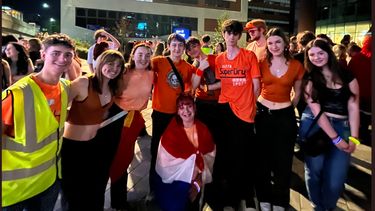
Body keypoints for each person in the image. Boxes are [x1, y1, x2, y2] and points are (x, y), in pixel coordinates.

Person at [2, 33, 75, 210]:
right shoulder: (18, 93)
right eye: (55, 53)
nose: (62, 59)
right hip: (14, 190)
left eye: (68, 55)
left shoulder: (65, 88)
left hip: (48, 183)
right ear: (43, 55)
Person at [61, 50, 125, 211]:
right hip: (73, 149)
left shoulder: (113, 88)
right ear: (100, 63)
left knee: (95, 193)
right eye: (110, 63)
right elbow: (58, 106)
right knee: (74, 196)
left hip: (96, 147)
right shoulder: (83, 82)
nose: (114, 68)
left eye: (118, 65)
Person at [300, 38, 359, 211]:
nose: (316, 57)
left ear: (328, 52)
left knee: (336, 179)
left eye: (320, 53)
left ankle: (327, 206)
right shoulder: (309, 77)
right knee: (314, 172)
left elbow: (353, 105)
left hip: (343, 123)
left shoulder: (346, 74)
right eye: (311, 55)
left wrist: (354, 138)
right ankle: (318, 207)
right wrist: (336, 138)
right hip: (314, 124)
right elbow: (317, 112)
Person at [254, 28, 305, 211]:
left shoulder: (296, 66)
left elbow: (297, 94)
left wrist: (287, 108)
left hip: (285, 117)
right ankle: (264, 197)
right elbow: (256, 89)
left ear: (284, 44)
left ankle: (280, 201)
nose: (274, 46)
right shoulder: (260, 63)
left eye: (277, 42)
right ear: (267, 45)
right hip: (262, 114)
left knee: (283, 161)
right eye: (270, 43)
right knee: (263, 160)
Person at [149, 33, 204, 198]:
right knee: (156, 151)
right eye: (174, 45)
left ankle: (171, 184)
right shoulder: (159, 61)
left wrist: (201, 67)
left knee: (174, 153)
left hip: (178, 117)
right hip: (159, 113)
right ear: (168, 47)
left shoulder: (187, 67)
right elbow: (144, 68)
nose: (177, 48)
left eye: (180, 46)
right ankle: (153, 189)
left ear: (184, 49)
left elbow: (193, 85)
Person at [213, 19, 260, 210]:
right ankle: (229, 196)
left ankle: (245, 194)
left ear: (240, 36)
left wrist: (249, 104)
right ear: (223, 35)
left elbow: (256, 86)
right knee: (225, 154)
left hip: (245, 112)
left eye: (235, 33)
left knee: (243, 155)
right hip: (224, 109)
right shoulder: (219, 59)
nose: (231, 37)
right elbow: (222, 83)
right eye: (228, 33)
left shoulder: (249, 56)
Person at [109, 43, 154, 210]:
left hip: (134, 119)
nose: (143, 58)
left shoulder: (151, 73)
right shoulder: (123, 71)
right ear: (133, 55)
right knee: (117, 159)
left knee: (125, 157)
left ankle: (118, 199)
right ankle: (117, 201)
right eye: (140, 54)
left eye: (147, 55)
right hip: (116, 118)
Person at [155, 94, 215, 211]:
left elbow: (209, 155)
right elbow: (165, 165)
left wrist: (197, 183)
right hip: (175, 186)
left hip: (197, 182)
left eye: (189, 106)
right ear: (177, 111)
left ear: (195, 108)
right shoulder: (171, 133)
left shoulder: (203, 129)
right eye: (181, 107)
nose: (186, 111)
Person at [347, 43, 371, 144]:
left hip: (357, 91)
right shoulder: (365, 58)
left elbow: (348, 74)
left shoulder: (356, 59)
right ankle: (364, 134)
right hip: (368, 92)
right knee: (367, 114)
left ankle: (358, 134)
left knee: (358, 113)